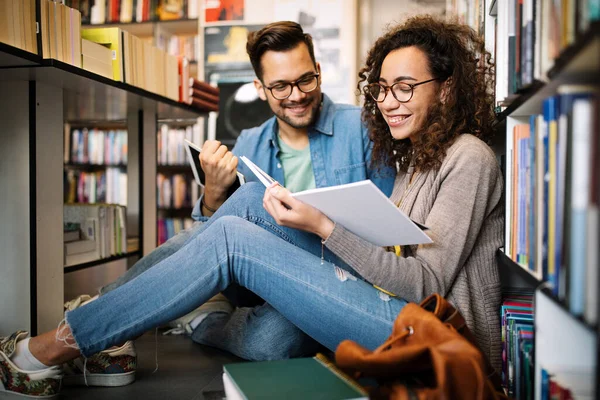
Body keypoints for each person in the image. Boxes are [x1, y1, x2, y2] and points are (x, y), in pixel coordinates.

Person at [0, 15, 503, 399]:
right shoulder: (418, 157)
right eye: (384, 89)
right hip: (373, 302)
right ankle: (90, 326)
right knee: (241, 213)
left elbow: (427, 285)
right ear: (261, 90)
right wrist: (215, 197)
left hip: (425, 333)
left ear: (448, 88)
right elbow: (213, 229)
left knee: (265, 324)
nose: (389, 102)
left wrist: (325, 226)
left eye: (406, 88)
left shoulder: (469, 158)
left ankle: (62, 342)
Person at [60, 19, 396, 386]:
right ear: (259, 88)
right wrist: (214, 196)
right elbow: (212, 239)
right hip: (262, 284)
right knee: (247, 201)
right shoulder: (249, 142)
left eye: (304, 80)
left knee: (272, 344)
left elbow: (389, 226)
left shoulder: (364, 127)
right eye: (280, 86)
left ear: (318, 72)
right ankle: (108, 308)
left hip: (340, 277)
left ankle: (195, 317)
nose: (296, 95)